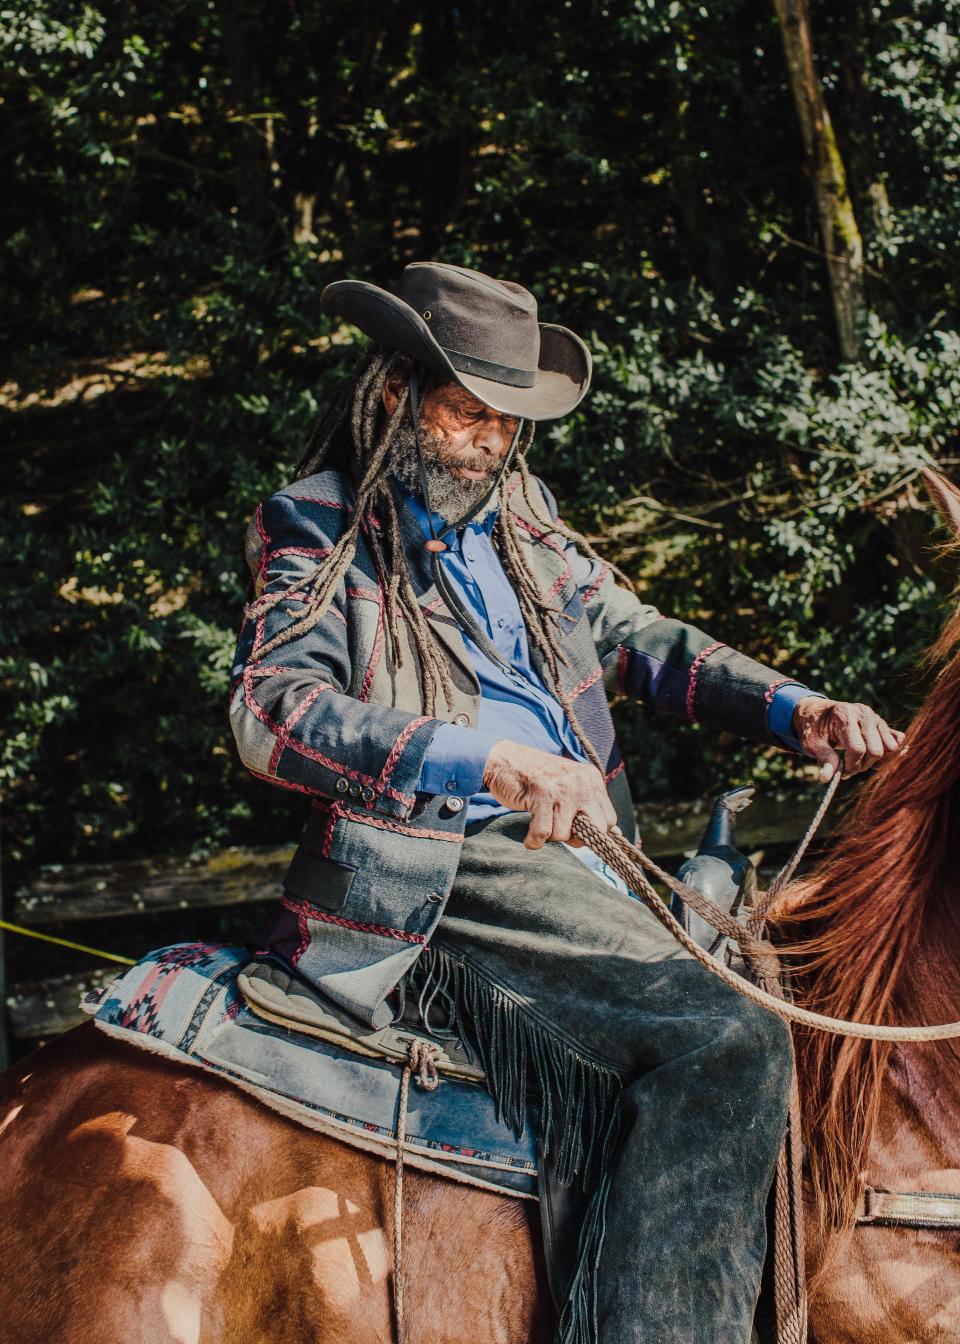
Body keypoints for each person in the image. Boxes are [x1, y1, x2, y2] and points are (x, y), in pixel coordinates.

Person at [229, 262, 902, 1344]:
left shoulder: (524, 516)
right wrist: (485, 760)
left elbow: (637, 642)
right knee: (725, 1043)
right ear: (395, 392)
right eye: (465, 413)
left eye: (506, 423)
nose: (486, 444)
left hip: (584, 855)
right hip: (448, 859)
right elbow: (274, 712)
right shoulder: (314, 524)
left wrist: (794, 706)